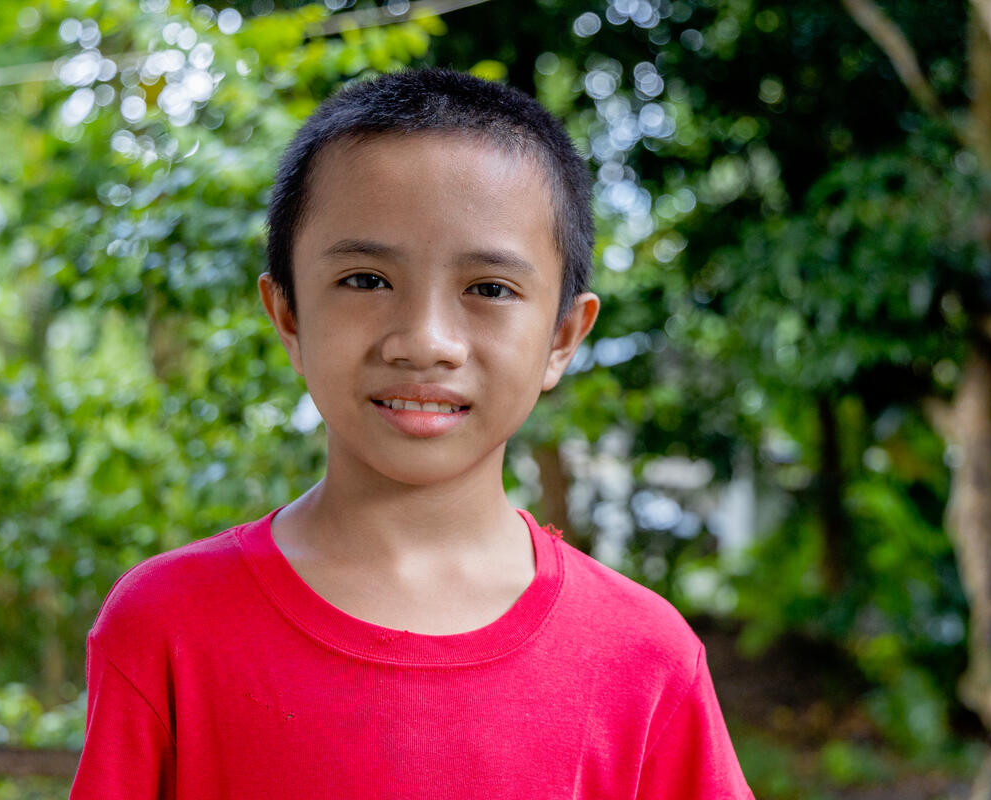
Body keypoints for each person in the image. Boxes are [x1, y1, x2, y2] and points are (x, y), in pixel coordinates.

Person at [70, 68, 753, 799]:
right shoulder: (168, 627)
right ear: (288, 316)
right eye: (366, 279)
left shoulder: (644, 659)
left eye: (489, 289)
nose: (425, 341)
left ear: (562, 337)